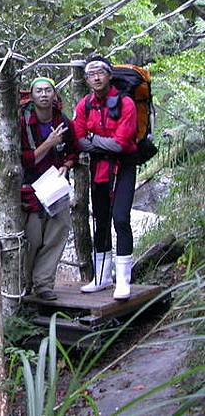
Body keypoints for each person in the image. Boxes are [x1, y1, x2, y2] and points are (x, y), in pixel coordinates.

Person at [73, 56, 138, 300]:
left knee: (120, 219)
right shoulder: (85, 105)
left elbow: (122, 144)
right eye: (91, 74)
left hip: (124, 166)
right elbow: (77, 139)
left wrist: (92, 141)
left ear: (110, 75)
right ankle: (101, 277)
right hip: (99, 168)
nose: (96, 77)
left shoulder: (127, 103)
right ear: (87, 79)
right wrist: (98, 144)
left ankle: (123, 281)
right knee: (101, 220)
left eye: (101, 72)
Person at [20, 77, 78, 301]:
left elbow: (73, 150)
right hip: (30, 188)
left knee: (58, 230)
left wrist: (66, 165)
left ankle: (43, 284)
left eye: (47, 91)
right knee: (32, 238)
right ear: (32, 96)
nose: (44, 95)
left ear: (54, 94)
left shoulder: (62, 120)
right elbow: (23, 160)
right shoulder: (22, 122)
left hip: (55, 188)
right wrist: (49, 143)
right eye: (39, 91)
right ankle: (24, 283)